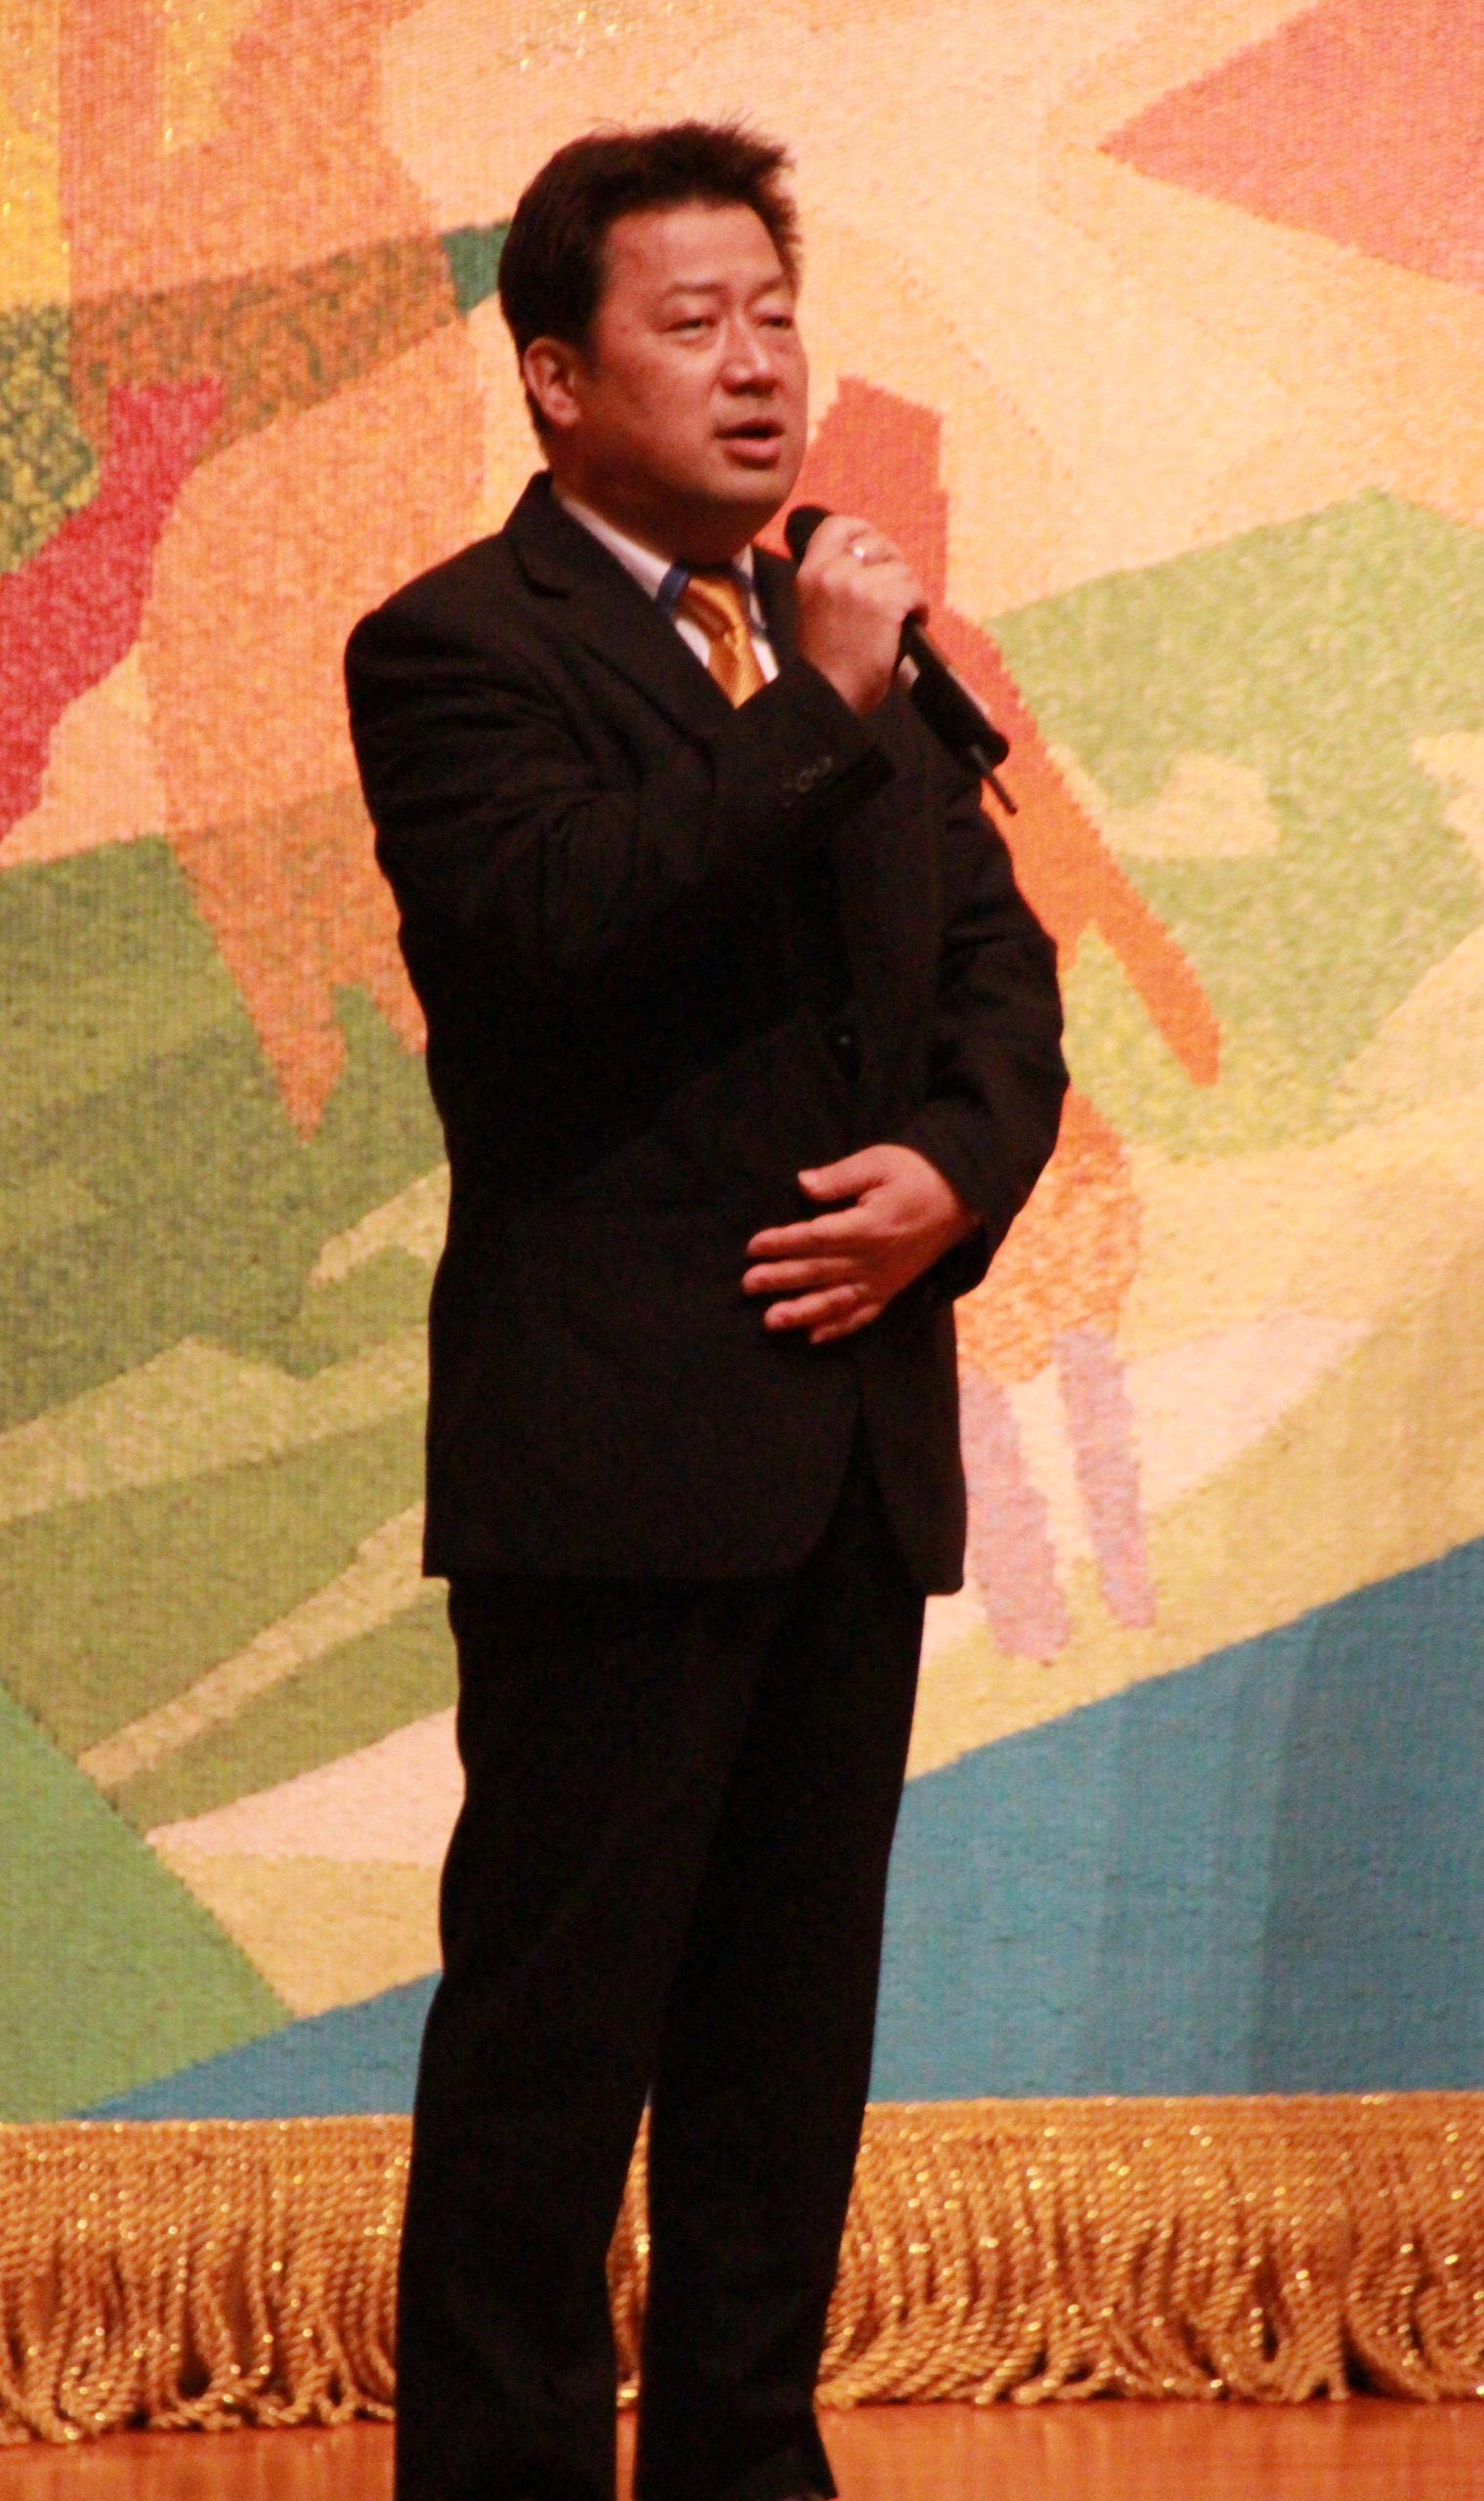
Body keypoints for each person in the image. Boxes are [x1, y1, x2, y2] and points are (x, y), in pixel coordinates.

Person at [344, 119, 1067, 2501]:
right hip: (615, 1459)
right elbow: (556, 926)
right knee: (555, 2047)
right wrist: (819, 707)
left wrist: (952, 1175)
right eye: (692, 323)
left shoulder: (839, 643)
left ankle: (749, 2464)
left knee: (785, 2043)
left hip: (850, 1450)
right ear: (558, 376)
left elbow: (996, 972)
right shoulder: (459, 650)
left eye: (774, 316)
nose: (757, 367)